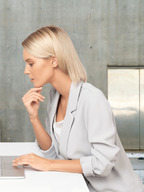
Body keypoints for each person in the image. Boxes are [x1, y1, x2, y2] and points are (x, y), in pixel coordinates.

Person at [12, 25, 144, 192]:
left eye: (31, 63)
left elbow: (102, 163)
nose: (26, 71)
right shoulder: (55, 96)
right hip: (79, 184)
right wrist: (33, 117)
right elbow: (53, 153)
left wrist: (49, 165)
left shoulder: (92, 99)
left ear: (53, 60)